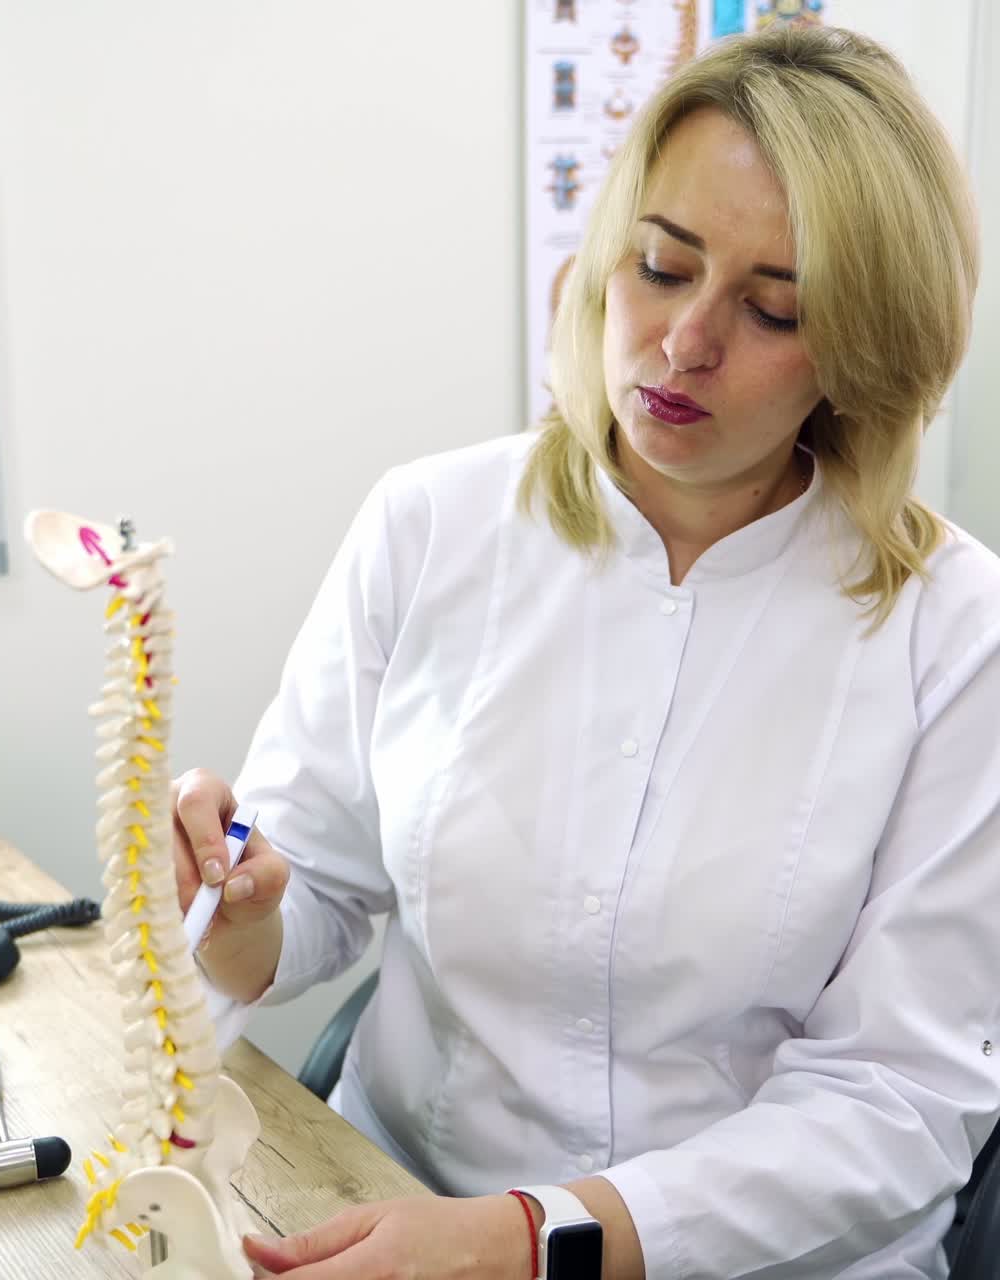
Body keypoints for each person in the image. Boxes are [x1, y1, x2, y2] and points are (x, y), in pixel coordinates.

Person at [171, 22, 1000, 1279]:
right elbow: (317, 888)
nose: (682, 344)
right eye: (661, 267)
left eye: (771, 307)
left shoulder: (953, 631)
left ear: (862, 353)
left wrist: (531, 1234)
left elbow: (897, 1097)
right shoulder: (430, 524)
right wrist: (235, 911)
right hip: (395, 1203)